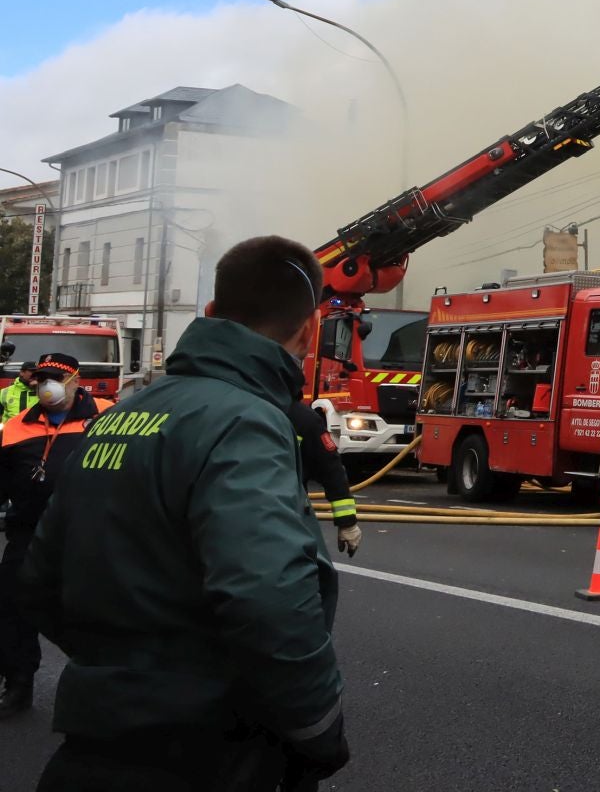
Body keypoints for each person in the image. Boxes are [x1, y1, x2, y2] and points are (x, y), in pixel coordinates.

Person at [19, 236, 350, 792]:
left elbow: (40, 577)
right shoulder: (246, 421)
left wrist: (122, 669)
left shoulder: (126, 412)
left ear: (213, 314)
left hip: (95, 741)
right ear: (310, 329)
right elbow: (266, 596)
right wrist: (318, 725)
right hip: (206, 750)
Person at [0, 354, 106, 720]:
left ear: (77, 381)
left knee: (93, 613)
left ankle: (97, 690)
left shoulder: (106, 418)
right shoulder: (16, 427)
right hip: (29, 533)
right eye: (43, 378)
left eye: (57, 378)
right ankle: (18, 683)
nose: (48, 386)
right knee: (13, 610)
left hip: (89, 534)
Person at [287, 401, 362, 557]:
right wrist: (347, 523)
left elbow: (330, 469)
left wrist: (347, 521)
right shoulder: (302, 417)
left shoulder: (230, 407)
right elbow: (330, 469)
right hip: (287, 518)